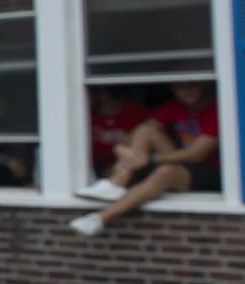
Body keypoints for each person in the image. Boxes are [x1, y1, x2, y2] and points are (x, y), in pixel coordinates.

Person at [73, 81, 222, 235]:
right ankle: (118, 181)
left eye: (191, 86)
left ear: (204, 87)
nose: (185, 92)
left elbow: (197, 155)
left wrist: (149, 159)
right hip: (179, 162)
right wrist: (120, 149)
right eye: (179, 88)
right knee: (146, 131)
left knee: (166, 172)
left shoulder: (215, 109)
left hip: (212, 169)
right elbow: (133, 135)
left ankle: (102, 217)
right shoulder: (175, 107)